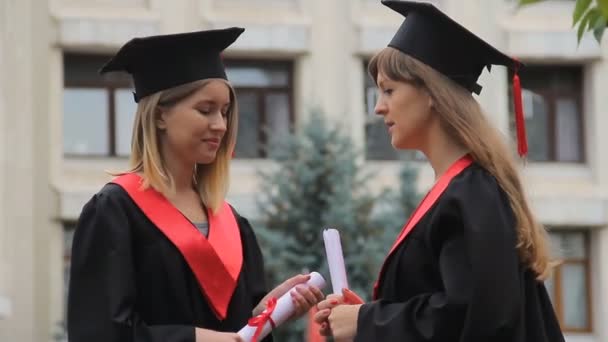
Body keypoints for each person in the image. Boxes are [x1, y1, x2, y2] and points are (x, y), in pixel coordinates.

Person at [314, 1, 565, 341]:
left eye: (389, 90)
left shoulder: (472, 194)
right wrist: (363, 316)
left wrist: (369, 320)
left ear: (431, 93)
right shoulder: (462, 190)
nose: (378, 107)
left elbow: (473, 318)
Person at [67, 27, 324, 342]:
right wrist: (198, 338)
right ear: (161, 115)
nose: (220, 125)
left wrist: (265, 313)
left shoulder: (232, 223)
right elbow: (100, 332)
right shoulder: (115, 211)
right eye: (205, 110)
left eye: (225, 112)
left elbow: (239, 332)